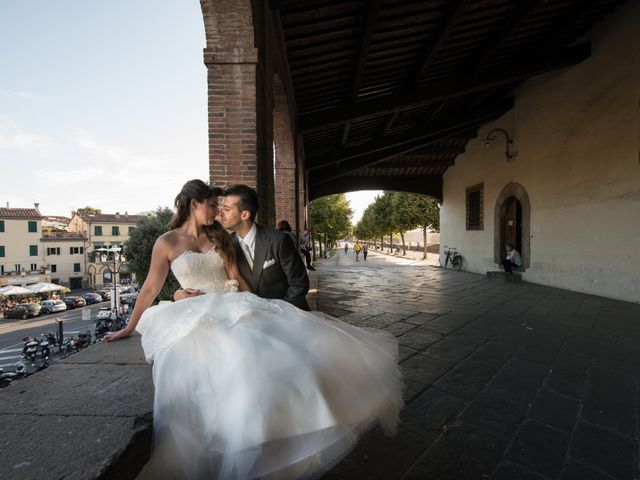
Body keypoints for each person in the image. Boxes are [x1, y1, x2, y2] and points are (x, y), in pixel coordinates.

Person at [105, 180, 403, 479]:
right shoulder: (166, 242)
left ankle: (286, 429)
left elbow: (235, 276)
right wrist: (129, 327)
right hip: (197, 312)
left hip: (232, 302)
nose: (217, 213)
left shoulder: (219, 236)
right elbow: (149, 288)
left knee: (278, 357)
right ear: (195, 204)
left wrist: (260, 305)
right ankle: (232, 442)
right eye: (213, 206)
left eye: (222, 207)